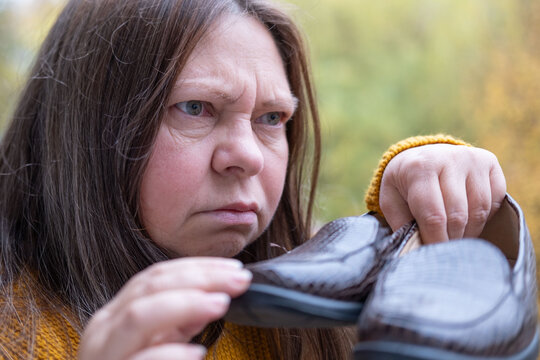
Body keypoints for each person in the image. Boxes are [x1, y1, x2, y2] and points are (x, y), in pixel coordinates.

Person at [0, 0, 506, 359]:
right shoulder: (14, 334)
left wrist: (422, 220)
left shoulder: (304, 313)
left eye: (271, 119)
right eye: (195, 109)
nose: (248, 157)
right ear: (86, 127)